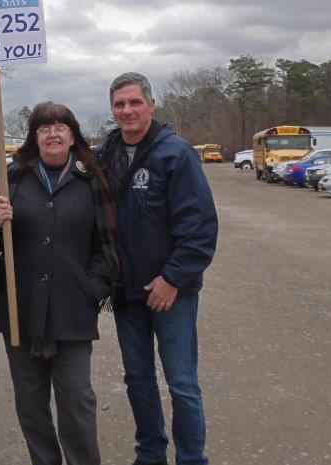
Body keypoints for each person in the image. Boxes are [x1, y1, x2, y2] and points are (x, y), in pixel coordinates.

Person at [0, 102, 117, 465]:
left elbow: (107, 245)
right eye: (44, 128)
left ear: (73, 136)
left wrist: (92, 289)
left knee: (77, 402)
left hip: (72, 311)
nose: (53, 134)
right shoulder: (13, 177)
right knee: (30, 405)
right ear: (35, 137)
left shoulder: (92, 179)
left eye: (60, 127)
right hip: (21, 307)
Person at [96, 73, 218, 465]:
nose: (127, 110)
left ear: (151, 105)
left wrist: (173, 279)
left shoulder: (176, 153)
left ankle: (191, 458)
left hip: (171, 293)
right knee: (138, 379)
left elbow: (199, 228)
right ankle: (150, 453)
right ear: (112, 110)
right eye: (119, 104)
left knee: (181, 383)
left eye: (135, 102)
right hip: (126, 291)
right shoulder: (104, 155)